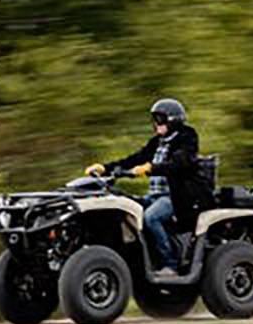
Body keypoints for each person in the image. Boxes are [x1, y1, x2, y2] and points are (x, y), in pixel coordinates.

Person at [85, 98, 210, 273]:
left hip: (176, 197)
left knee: (151, 218)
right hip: (154, 196)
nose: (155, 124)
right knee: (126, 212)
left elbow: (179, 162)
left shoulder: (187, 137)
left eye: (159, 119)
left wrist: (151, 168)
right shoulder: (157, 141)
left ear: (172, 120)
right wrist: (106, 168)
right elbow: (136, 158)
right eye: (154, 119)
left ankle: (170, 264)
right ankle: (140, 263)